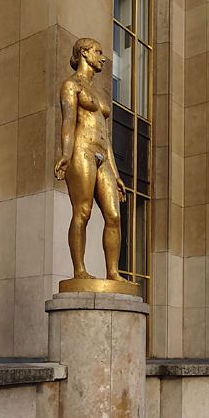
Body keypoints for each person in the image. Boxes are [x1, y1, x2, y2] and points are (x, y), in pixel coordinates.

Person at [54, 38, 128, 282]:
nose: (103, 57)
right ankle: (79, 271)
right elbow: (68, 122)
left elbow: (106, 137)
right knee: (82, 212)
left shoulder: (98, 91)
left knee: (114, 216)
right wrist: (65, 154)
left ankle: (113, 272)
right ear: (84, 53)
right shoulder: (70, 85)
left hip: (102, 155)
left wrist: (116, 174)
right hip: (81, 151)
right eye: (99, 51)